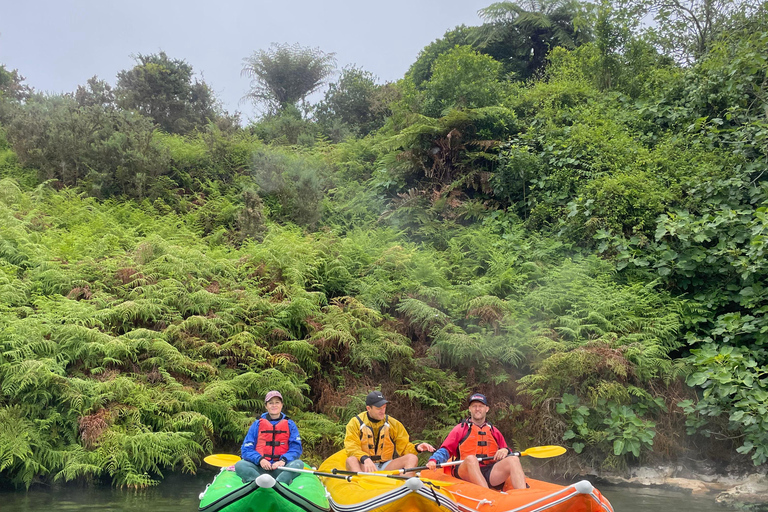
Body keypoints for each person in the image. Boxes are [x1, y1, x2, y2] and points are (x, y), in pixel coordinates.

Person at [426, 392, 527, 489]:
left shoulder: (494, 431)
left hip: (489, 471)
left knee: (513, 459)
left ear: (486, 409)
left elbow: (507, 450)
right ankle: (488, 495)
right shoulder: (460, 429)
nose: (477, 409)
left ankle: (524, 496)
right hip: (466, 470)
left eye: (481, 406)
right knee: (471, 459)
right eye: (474, 406)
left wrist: (505, 450)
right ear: (470, 409)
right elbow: (445, 450)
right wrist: (434, 460)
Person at [345, 390, 435, 475]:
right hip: (365, 465)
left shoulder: (393, 424)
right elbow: (352, 447)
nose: (382, 411)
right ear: (368, 408)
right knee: (351, 460)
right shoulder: (355, 423)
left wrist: (417, 447)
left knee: (412, 458)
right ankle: (360, 484)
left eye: (384, 408)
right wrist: (365, 458)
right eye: (379, 408)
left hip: (386, 465)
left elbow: (404, 448)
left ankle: (405, 486)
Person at [235, 390, 305, 485]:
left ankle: (279, 484)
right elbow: (246, 449)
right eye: (270, 403)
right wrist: (260, 459)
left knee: (298, 464)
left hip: (280, 468)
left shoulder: (290, 425)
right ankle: (258, 483)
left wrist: (283, 461)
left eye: (277, 402)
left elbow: (296, 449)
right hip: (260, 468)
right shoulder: (257, 424)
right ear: (266, 406)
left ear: (281, 405)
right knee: (240, 465)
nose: (274, 405)